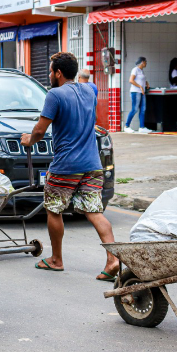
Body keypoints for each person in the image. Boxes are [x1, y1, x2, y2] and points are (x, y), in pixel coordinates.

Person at [21, 52, 119, 281]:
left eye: (51, 70)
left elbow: (39, 130)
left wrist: (28, 140)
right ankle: (113, 259)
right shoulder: (90, 89)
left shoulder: (54, 95)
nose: (49, 74)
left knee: (54, 209)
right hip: (93, 165)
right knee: (94, 211)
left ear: (58, 73)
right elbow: (85, 82)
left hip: (66, 165)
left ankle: (56, 260)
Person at [124, 56, 152, 133]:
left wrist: (146, 83)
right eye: (146, 62)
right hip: (135, 92)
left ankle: (142, 127)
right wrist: (140, 86)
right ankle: (126, 126)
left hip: (141, 92)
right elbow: (131, 80)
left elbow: (141, 79)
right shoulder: (135, 70)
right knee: (135, 109)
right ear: (142, 62)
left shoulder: (141, 71)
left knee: (143, 109)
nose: (146, 63)